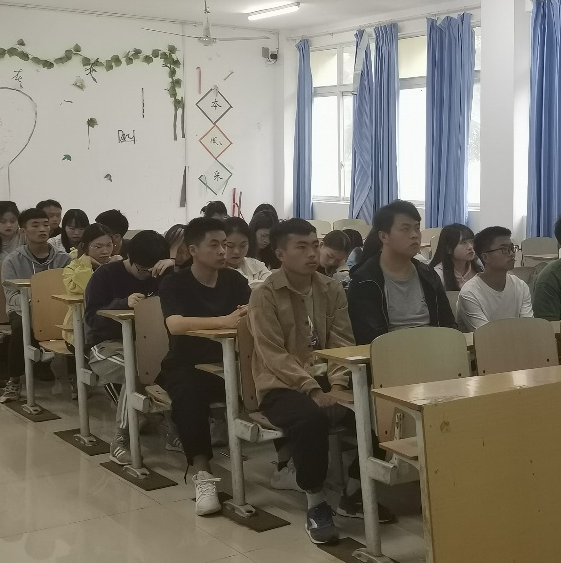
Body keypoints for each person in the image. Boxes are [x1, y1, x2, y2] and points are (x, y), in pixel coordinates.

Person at [249, 219, 394, 545]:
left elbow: (343, 342)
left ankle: (353, 492)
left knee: (383, 408)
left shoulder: (331, 288)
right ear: (280, 254)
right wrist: (312, 389)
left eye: (315, 245)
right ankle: (316, 503)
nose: (312, 253)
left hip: (327, 378)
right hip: (281, 384)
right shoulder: (265, 295)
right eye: (301, 247)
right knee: (310, 419)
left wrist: (339, 385)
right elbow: (273, 354)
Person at [155, 217, 251, 516]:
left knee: (271, 383)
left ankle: (286, 464)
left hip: (230, 362)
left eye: (226, 244)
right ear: (193, 250)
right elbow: (175, 324)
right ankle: (203, 474)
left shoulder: (235, 281)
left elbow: (249, 316)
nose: (223, 251)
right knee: (189, 395)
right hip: (186, 365)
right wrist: (224, 321)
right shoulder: (175, 283)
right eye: (215, 245)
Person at [82, 230, 168, 466]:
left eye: (153, 270)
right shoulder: (105, 275)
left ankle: (170, 428)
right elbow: (91, 319)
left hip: (146, 347)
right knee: (137, 370)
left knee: (167, 367)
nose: (148, 275)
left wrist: (173, 265)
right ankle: (121, 440)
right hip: (104, 347)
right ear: (129, 258)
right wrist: (123, 304)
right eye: (143, 270)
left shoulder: (163, 274)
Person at [347, 201, 456, 344]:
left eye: (417, 228)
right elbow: (368, 339)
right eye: (405, 229)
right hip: (389, 353)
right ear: (383, 236)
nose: (414, 235)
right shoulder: (364, 281)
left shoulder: (428, 275)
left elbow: (448, 324)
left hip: (434, 349)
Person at [0, 207, 72, 402]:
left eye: (45, 225)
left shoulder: (64, 259)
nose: (42, 229)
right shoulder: (12, 261)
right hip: (23, 309)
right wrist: (35, 302)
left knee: (76, 326)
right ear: (23, 231)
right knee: (19, 327)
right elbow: (11, 297)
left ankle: (74, 377)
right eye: (35, 225)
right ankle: (14, 379)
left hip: (58, 309)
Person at [457, 227, 533, 331]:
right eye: (504, 249)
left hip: (517, 340)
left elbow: (529, 328)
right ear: (485, 257)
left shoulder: (521, 286)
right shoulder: (470, 293)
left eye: (512, 248)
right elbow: (486, 335)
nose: (511, 253)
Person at [61, 223, 117, 340]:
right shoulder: (72, 269)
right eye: (98, 247)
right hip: (80, 332)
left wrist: (119, 267)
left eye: (109, 245)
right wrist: (86, 265)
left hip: (112, 327)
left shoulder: (116, 265)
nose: (105, 251)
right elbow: (86, 289)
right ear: (85, 247)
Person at [428, 223, 481, 291]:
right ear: (449, 249)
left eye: (471, 241)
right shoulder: (438, 275)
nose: (470, 247)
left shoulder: (478, 269)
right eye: (463, 242)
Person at [224, 217, 271, 287]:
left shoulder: (257, 265)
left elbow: (272, 284)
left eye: (243, 245)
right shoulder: (215, 272)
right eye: (230, 246)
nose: (236, 252)